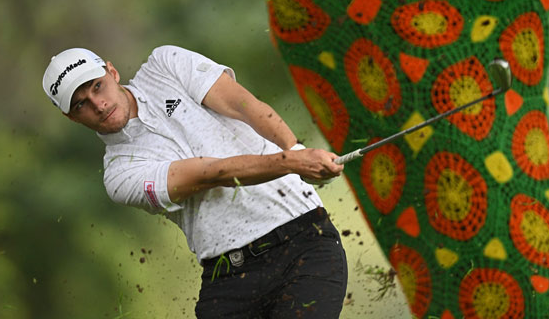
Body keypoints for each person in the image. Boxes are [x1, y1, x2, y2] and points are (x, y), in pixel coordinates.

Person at [42, 46, 347, 318]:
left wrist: (293, 148)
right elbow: (213, 174)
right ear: (72, 117)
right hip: (229, 278)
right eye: (81, 103)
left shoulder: (165, 63)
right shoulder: (119, 174)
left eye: (98, 86)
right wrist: (292, 163)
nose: (98, 103)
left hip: (303, 242)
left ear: (112, 71)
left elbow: (240, 103)